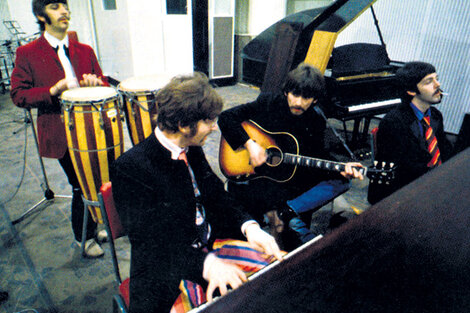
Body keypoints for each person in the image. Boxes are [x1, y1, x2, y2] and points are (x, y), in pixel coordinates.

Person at [110, 72, 283, 313]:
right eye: (209, 122)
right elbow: (153, 244)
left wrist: (250, 227)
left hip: (211, 245)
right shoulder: (130, 168)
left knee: (280, 274)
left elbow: (217, 195)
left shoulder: (190, 146)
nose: (214, 128)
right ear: (183, 125)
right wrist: (210, 265)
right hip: (167, 270)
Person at [218, 63, 364, 249]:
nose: (299, 102)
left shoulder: (315, 118)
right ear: (287, 92)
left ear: (315, 100)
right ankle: (291, 221)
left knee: (342, 181)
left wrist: (342, 167)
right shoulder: (268, 103)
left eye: (306, 97)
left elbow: (318, 153)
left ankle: (287, 212)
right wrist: (250, 144)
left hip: (293, 173)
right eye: (295, 94)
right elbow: (226, 117)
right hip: (263, 176)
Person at [10, 0, 108, 257]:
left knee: (97, 180)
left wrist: (95, 83)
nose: (64, 11)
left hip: (91, 128)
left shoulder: (84, 50)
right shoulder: (27, 53)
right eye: (55, 7)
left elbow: (104, 83)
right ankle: (83, 238)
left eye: (65, 6)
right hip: (60, 131)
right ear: (41, 16)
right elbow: (18, 95)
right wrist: (52, 90)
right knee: (80, 184)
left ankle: (95, 224)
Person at [368, 61, 453, 204]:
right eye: (429, 82)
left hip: (427, 181)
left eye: (436, 78)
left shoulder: (435, 116)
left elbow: (444, 149)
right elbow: (402, 170)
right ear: (411, 91)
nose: (437, 85)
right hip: (401, 192)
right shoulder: (394, 122)